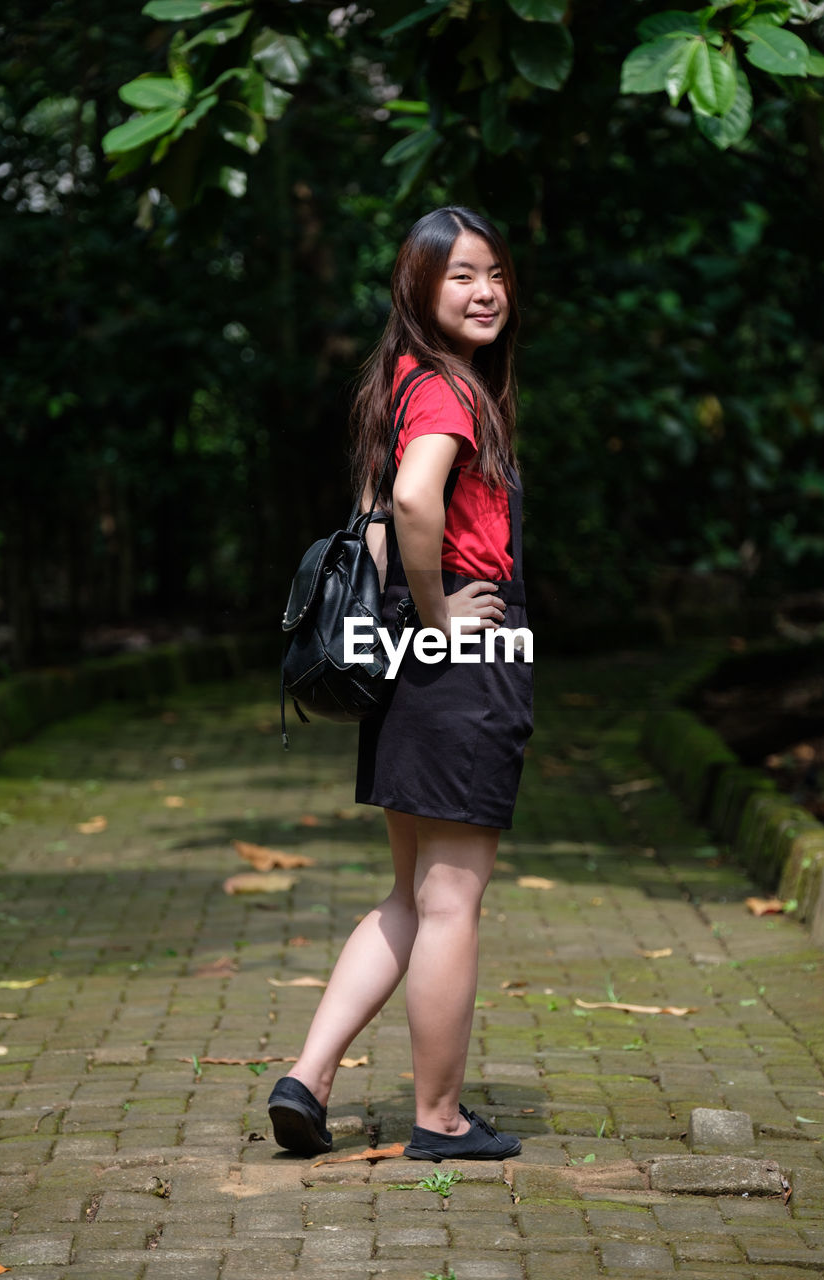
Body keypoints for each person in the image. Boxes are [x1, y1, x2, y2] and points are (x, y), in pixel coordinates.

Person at [267, 207, 533, 1162]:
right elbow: (417, 501)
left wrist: (413, 629)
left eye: (495, 274)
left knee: (410, 896)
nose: (485, 291)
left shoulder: (404, 381)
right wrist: (438, 617)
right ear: (418, 289)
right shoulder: (451, 392)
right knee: (453, 899)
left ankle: (309, 1075)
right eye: (460, 275)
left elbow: (378, 517)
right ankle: (440, 1119)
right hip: (460, 663)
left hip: (410, 676)